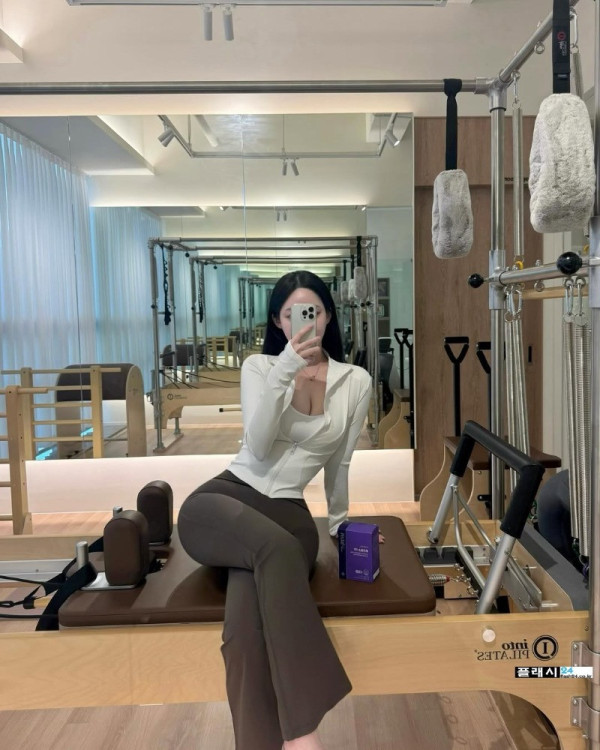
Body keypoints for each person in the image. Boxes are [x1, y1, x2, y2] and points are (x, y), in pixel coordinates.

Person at [177, 270, 373, 750]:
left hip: (288, 514)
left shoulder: (356, 381)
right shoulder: (259, 368)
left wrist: (342, 526)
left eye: (314, 312)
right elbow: (260, 446)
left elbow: (341, 463)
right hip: (224, 500)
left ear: (329, 316)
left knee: (244, 633)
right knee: (273, 552)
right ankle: (304, 733)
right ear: (278, 321)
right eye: (291, 314)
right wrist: (286, 367)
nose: (304, 321)